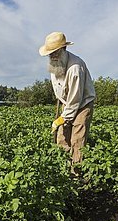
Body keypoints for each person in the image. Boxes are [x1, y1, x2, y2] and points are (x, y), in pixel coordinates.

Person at [39, 31, 95, 164]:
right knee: (62, 137)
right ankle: (62, 167)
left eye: (55, 52)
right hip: (67, 102)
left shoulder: (75, 68)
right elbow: (59, 88)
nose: (52, 56)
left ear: (64, 48)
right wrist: (62, 116)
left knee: (77, 140)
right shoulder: (55, 64)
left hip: (82, 104)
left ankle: (76, 173)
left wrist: (62, 118)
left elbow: (75, 99)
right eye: (50, 53)